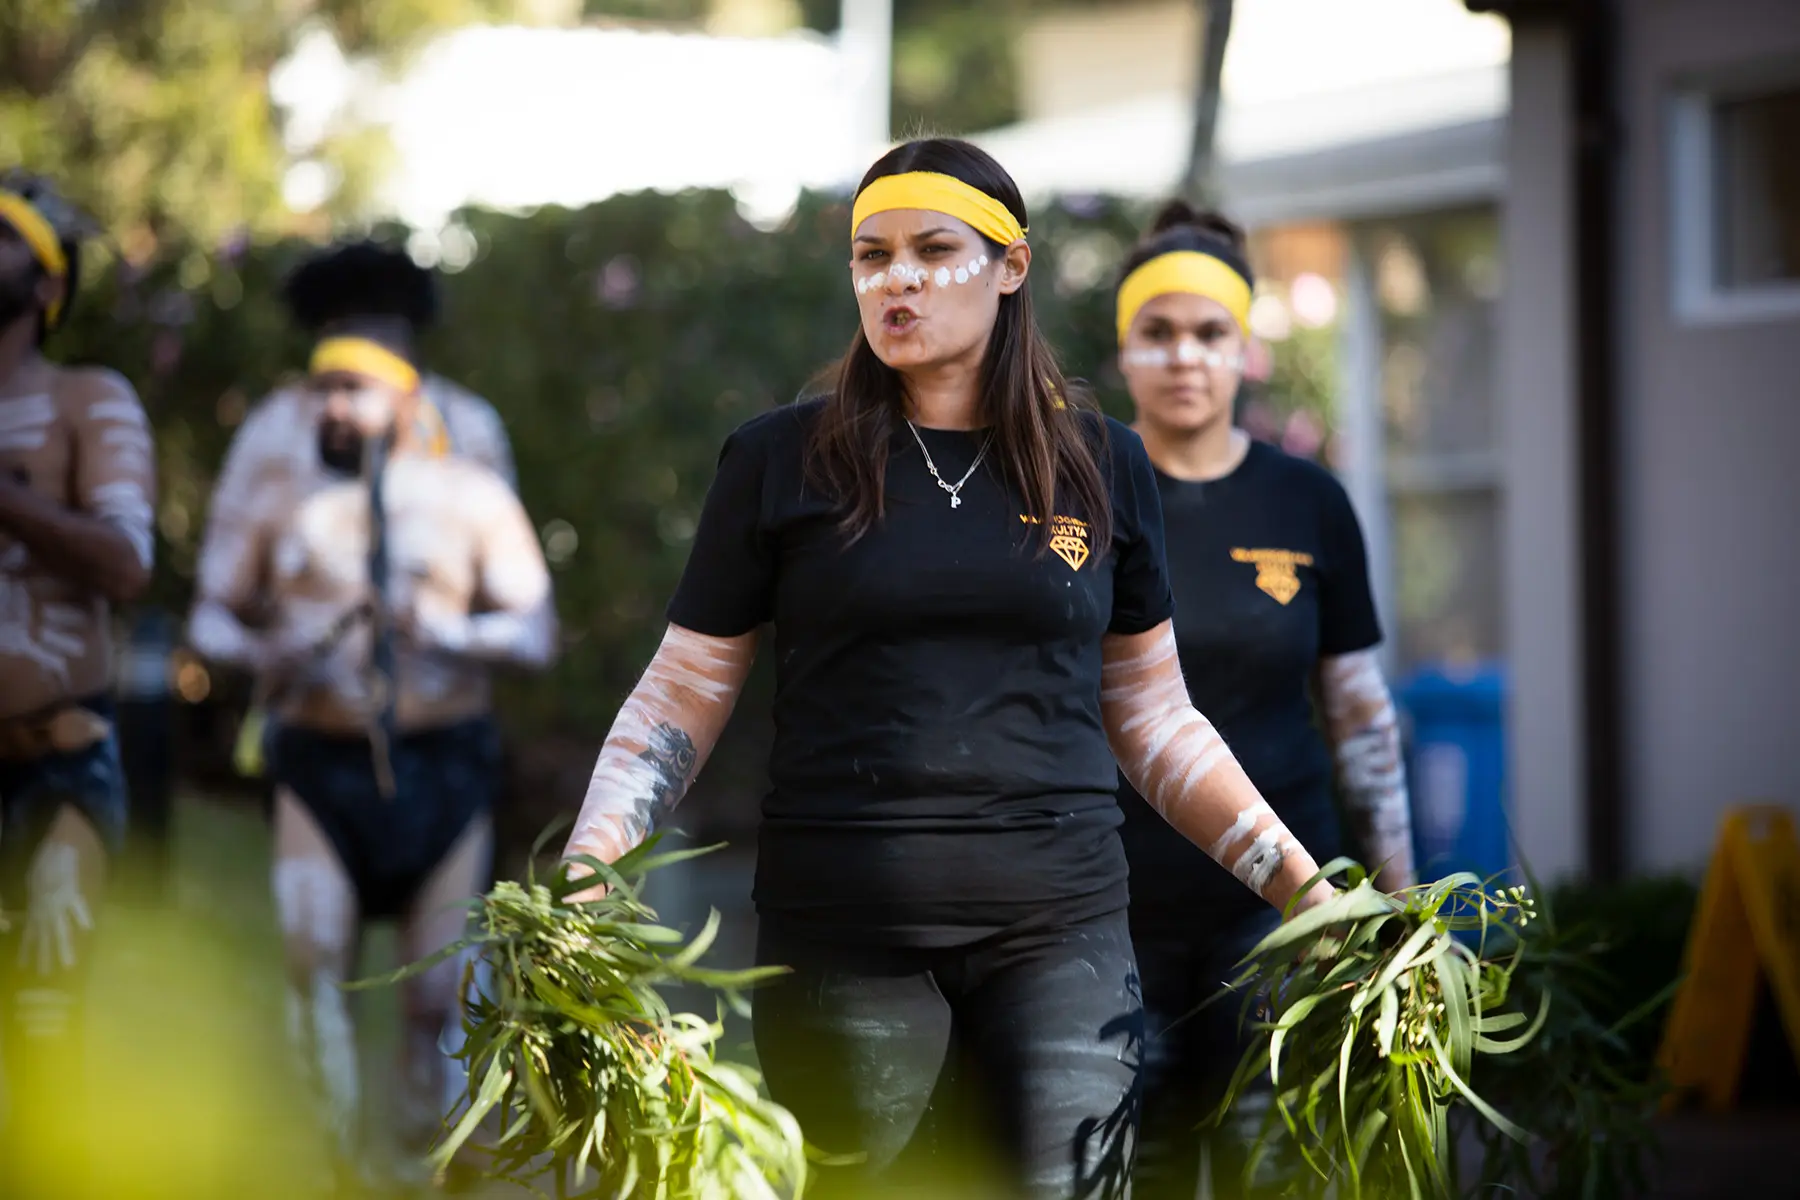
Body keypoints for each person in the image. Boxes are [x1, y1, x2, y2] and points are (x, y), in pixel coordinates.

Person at [558, 138, 1337, 1200]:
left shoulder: (1101, 462)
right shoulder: (778, 459)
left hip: (1061, 931)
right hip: (844, 938)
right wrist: (590, 863)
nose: (899, 279)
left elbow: (1155, 716)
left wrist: (1301, 887)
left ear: (1011, 267)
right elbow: (682, 693)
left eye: (933, 250)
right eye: (872, 256)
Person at [184, 323, 557, 1186]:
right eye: (321, 390)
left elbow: (536, 632)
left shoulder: (472, 497)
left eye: (352, 390)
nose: (332, 407)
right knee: (314, 969)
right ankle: (337, 1168)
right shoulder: (282, 499)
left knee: (437, 1000)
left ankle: (430, 1166)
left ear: (406, 399)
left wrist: (453, 632)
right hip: (320, 766)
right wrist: (262, 650)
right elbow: (209, 614)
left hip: (445, 767)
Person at [1109, 202, 1415, 1199]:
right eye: (1157, 333)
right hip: (1112, 910)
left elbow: (1359, 714)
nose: (1184, 357)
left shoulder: (1307, 500)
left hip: (1282, 911)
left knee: (1272, 1173)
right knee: (1140, 1174)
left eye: (1210, 333)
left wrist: (1398, 908)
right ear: (1123, 349)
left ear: (1245, 348)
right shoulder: (1083, 494)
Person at [0, 170, 156, 1190]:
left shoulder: (86, 402)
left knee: (42, 1034)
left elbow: (127, 564)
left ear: (50, 285)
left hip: (56, 762)